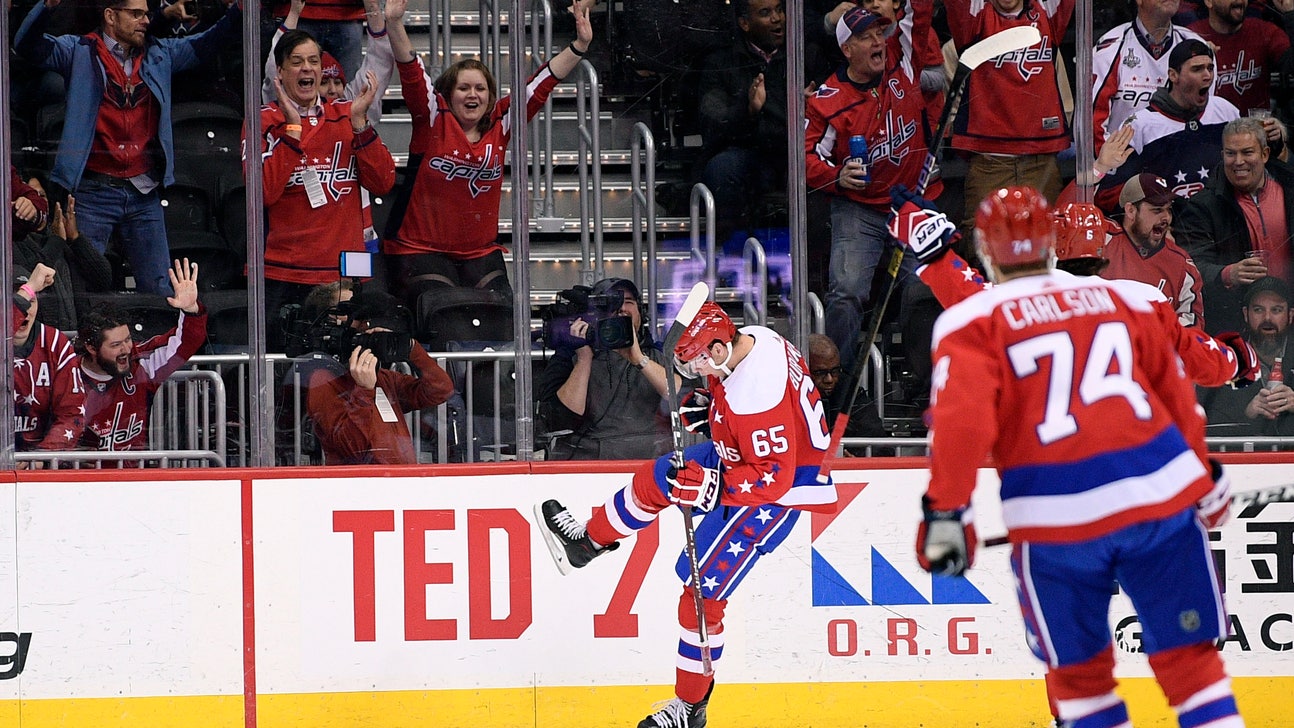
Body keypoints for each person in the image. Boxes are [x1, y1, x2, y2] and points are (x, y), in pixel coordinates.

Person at [916, 186, 1245, 728]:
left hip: (1054, 521)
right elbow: (1176, 397)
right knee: (1192, 666)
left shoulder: (971, 320)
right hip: (1158, 500)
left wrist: (947, 514)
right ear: (1051, 243)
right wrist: (1202, 475)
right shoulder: (1132, 301)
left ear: (983, 249)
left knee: (1079, 679)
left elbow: (961, 427)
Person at [537, 302, 836, 728]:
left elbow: (772, 477)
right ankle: (587, 543)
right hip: (747, 457)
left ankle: (690, 707)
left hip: (770, 497)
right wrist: (708, 405)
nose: (694, 368)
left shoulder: (757, 397)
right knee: (661, 476)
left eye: (697, 361)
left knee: (700, 597)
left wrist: (713, 490)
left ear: (716, 350)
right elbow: (744, 411)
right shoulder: (755, 340)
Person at [14, 0, 243, 295]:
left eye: (146, 14)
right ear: (110, 15)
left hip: (143, 192)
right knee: (83, 286)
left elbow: (209, 42)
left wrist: (240, 9)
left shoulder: (160, 54)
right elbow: (26, 44)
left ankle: (162, 342)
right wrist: (46, 6)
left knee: (161, 287)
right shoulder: (79, 51)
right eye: (136, 14)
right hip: (93, 191)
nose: (146, 20)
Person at [381, 0, 594, 308]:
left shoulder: (501, 122)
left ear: (491, 97)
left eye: (480, 89)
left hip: (479, 251)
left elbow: (541, 84)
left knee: (503, 309)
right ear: (447, 94)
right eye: (463, 88)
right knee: (442, 309)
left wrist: (579, 45)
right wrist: (395, 23)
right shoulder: (432, 117)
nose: (472, 95)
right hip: (419, 248)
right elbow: (412, 72)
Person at [805, 6, 941, 374]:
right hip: (859, 208)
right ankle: (838, 383)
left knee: (927, 287)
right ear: (847, 49)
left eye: (880, 33)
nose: (878, 41)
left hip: (911, 202)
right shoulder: (828, 100)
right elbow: (803, 157)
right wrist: (834, 175)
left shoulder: (903, 61)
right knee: (846, 292)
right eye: (866, 37)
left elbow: (920, 11)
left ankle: (924, 385)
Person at [257, 27, 397, 348]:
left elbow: (383, 181)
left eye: (313, 61)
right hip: (288, 274)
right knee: (286, 382)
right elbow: (264, 192)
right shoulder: (264, 121)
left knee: (346, 373)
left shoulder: (349, 115)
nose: (307, 68)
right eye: (296, 61)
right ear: (279, 71)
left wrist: (360, 125)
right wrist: (293, 130)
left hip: (346, 272)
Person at [696, 0, 828, 236]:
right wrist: (748, 110)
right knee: (723, 170)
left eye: (779, 9)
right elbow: (713, 126)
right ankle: (738, 260)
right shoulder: (720, 63)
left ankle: (812, 269)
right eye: (766, 13)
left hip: (797, 153)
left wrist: (811, 109)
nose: (777, 19)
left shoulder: (807, 55)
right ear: (745, 23)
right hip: (751, 156)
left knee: (816, 174)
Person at [943, 0, 1074, 222]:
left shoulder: (1045, 12)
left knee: (1047, 248)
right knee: (983, 250)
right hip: (989, 162)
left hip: (1041, 162)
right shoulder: (975, 18)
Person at [536, 278, 681, 460]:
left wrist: (639, 359)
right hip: (588, 465)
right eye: (611, 303)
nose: (621, 309)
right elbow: (559, 421)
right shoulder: (568, 356)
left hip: (649, 461)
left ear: (641, 313)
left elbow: (681, 396)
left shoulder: (660, 353)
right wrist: (584, 358)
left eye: (628, 302)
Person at [305, 288, 454, 465]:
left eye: (366, 318)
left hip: (402, 481)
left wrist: (410, 348)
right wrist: (364, 391)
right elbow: (354, 448)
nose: (363, 324)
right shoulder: (323, 380)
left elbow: (440, 390)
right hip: (362, 486)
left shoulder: (383, 377)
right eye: (353, 315)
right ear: (330, 322)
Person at [1094, 39, 1247, 213]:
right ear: (1173, 75)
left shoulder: (1226, 111)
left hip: (1222, 223)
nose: (1207, 76)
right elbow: (1108, 195)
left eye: (1210, 68)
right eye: (1197, 69)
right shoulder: (1138, 126)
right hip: (1168, 230)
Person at [77, 259, 208, 457]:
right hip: (78, 483)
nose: (126, 349)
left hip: (135, 479)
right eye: (115, 345)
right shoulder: (66, 373)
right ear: (91, 347)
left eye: (128, 340)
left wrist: (191, 311)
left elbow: (185, 342)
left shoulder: (141, 363)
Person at [1175, 116, 1294, 334]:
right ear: (1222, 156)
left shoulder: (1289, 188)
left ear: (1265, 154)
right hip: (1236, 325)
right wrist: (1227, 273)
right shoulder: (1201, 206)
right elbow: (1190, 265)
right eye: (1231, 153)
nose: (1238, 161)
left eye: (1247, 152)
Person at [1092, 0, 1210, 154]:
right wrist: (1111, 168)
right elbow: (1093, 126)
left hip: (1181, 162)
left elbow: (1207, 116)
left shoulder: (1195, 46)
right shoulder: (1110, 48)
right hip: (1125, 165)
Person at [1103, 173, 1207, 327]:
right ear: (1131, 211)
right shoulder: (1102, 240)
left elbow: (1191, 333)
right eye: (1157, 210)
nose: (1166, 218)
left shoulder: (1182, 266)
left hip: (1156, 350)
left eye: (1168, 209)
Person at [1198, 275, 1294, 435]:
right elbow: (1205, 425)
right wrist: (1246, 414)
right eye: (1258, 310)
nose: (1267, 318)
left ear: (1290, 315)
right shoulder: (1222, 359)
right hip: (1242, 458)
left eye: (1276, 310)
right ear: (1245, 314)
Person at [14, 183, 115, 332]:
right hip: (39, 336)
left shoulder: (65, 237)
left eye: (41, 195)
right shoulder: (11, 242)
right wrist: (57, 241)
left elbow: (103, 279)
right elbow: (28, 279)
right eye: (28, 198)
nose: (35, 202)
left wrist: (75, 238)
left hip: (78, 335)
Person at [13, 264, 86, 466]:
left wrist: (40, 458)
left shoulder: (55, 343)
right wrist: (28, 289)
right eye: (19, 302)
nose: (25, 311)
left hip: (39, 463)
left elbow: (72, 414)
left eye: (32, 301)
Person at [1188, 0, 1294, 117]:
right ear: (1209, 2)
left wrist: (1291, 14)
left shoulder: (1264, 31)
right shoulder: (1191, 36)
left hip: (1254, 130)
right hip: (1209, 129)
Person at [807, 332, 887, 454]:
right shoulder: (790, 393)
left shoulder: (848, 391)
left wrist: (859, 461)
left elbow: (880, 444)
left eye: (834, 371)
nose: (829, 379)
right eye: (820, 373)